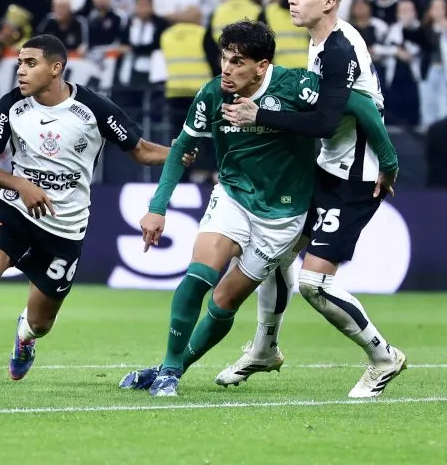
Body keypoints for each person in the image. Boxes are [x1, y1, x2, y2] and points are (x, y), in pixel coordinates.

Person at [119, 20, 397, 397]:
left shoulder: (295, 86)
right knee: (198, 276)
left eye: (237, 62)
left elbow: (360, 104)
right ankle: (168, 369)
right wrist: (157, 207)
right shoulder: (212, 94)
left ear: (262, 66)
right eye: (224, 59)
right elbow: (182, 149)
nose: (227, 69)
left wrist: (388, 161)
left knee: (225, 300)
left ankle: (177, 369)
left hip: (283, 216)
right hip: (233, 196)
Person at [0, 34, 181, 388]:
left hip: (64, 228)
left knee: (42, 323)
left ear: (56, 68)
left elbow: (141, 151)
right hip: (14, 213)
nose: (21, 71)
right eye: (19, 64)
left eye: (30, 63)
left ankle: (24, 336)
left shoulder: (93, 108)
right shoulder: (12, 106)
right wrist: (22, 186)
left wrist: (178, 151)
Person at [217, 0, 407, 398]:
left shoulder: (339, 49)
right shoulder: (320, 42)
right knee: (274, 252)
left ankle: (383, 357)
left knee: (314, 283)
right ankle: (265, 349)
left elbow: (331, 118)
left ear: (328, 2)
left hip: (355, 178)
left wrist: (259, 114)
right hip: (328, 167)